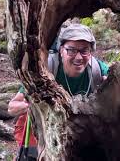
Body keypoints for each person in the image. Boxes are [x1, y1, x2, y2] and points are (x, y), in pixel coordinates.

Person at [8, 24, 109, 159]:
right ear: (61, 50)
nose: (79, 57)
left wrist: (110, 88)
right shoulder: (46, 69)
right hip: (45, 130)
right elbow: (12, 108)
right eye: (71, 50)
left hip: (82, 132)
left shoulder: (98, 70)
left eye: (85, 50)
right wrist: (36, 104)